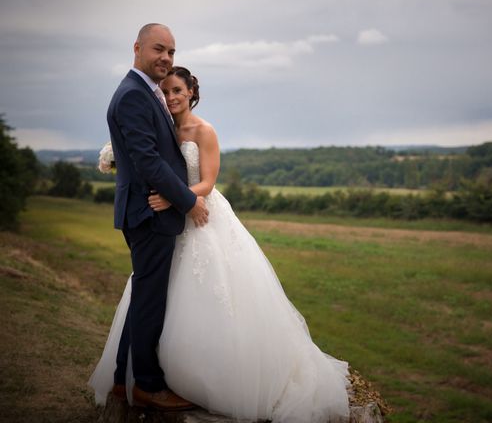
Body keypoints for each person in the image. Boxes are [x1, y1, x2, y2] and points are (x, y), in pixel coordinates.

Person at [90, 66, 351, 422]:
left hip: (200, 213)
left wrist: (173, 198)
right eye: (166, 91)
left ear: (191, 93)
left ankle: (212, 376)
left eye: (178, 90)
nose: (171, 97)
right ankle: (145, 374)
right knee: (155, 294)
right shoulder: (162, 125)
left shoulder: (204, 130)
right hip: (173, 218)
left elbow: (208, 182)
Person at [89, 24, 208, 411]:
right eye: (160, 49)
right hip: (150, 211)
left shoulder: (144, 91)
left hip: (145, 209)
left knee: (144, 297)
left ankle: (125, 381)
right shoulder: (133, 95)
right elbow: (149, 161)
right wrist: (188, 202)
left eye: (172, 52)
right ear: (138, 47)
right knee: (150, 302)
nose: (167, 58)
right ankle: (148, 385)